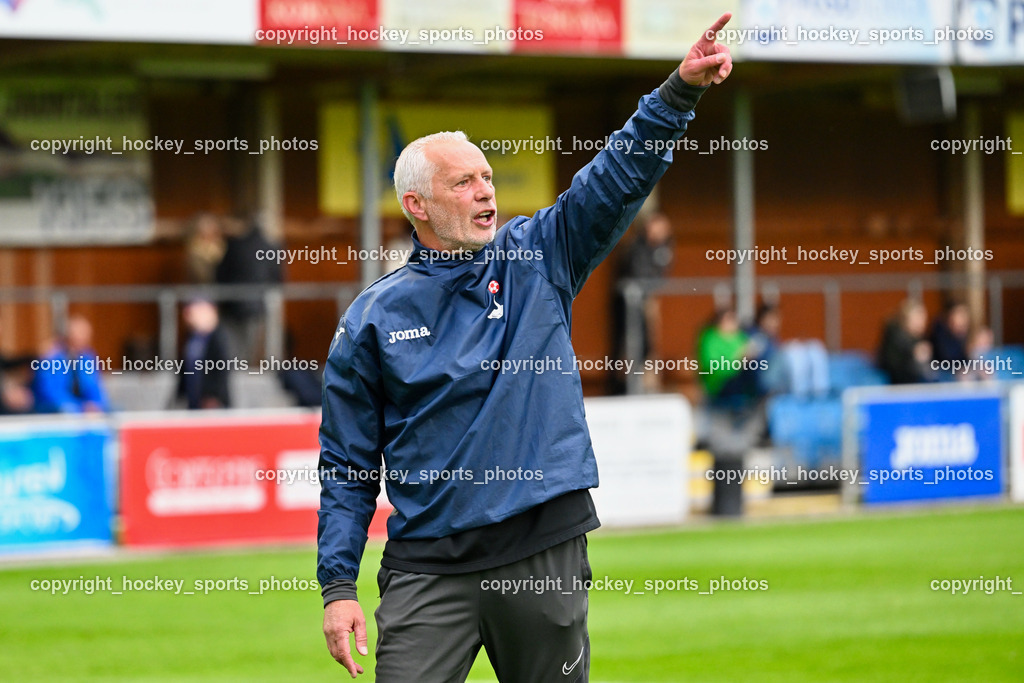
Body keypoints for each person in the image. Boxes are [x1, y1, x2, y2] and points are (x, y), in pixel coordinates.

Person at [317, 13, 734, 682]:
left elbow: (614, 178)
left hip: (542, 552)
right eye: (463, 182)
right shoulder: (371, 318)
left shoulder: (537, 256)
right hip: (428, 567)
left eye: (487, 177)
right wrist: (338, 586)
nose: (485, 190)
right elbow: (347, 464)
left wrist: (678, 92)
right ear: (418, 205)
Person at [609, 211, 674, 393]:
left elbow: (661, 275)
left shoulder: (662, 248)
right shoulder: (636, 248)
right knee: (630, 344)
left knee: (647, 345)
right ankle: (621, 386)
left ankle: (641, 384)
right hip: (629, 303)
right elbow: (637, 275)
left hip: (647, 301)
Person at [214, 217, 282, 362]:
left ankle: (235, 368)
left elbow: (220, 275)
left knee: (233, 346)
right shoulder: (271, 247)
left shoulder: (234, 245)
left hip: (232, 303)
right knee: (250, 347)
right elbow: (277, 278)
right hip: (257, 304)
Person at [32, 314, 109, 414]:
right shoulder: (50, 356)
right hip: (55, 406)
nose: (83, 338)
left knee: (114, 411)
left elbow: (94, 387)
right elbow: (50, 392)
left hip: (83, 407)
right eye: (79, 333)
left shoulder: (88, 356)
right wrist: (80, 407)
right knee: (66, 411)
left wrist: (95, 404)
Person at [176, 299, 232, 410]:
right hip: (193, 401)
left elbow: (222, 370)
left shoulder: (220, 338)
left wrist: (214, 396)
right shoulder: (191, 338)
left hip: (212, 404)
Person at [877, 299, 934, 384]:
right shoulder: (895, 338)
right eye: (917, 318)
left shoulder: (920, 339)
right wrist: (913, 355)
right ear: (906, 319)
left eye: (923, 318)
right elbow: (893, 368)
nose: (922, 322)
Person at [929, 301, 970, 380]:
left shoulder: (964, 335)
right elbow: (946, 359)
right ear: (950, 316)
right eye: (960, 315)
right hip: (942, 375)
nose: (964, 319)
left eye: (965, 315)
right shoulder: (940, 334)